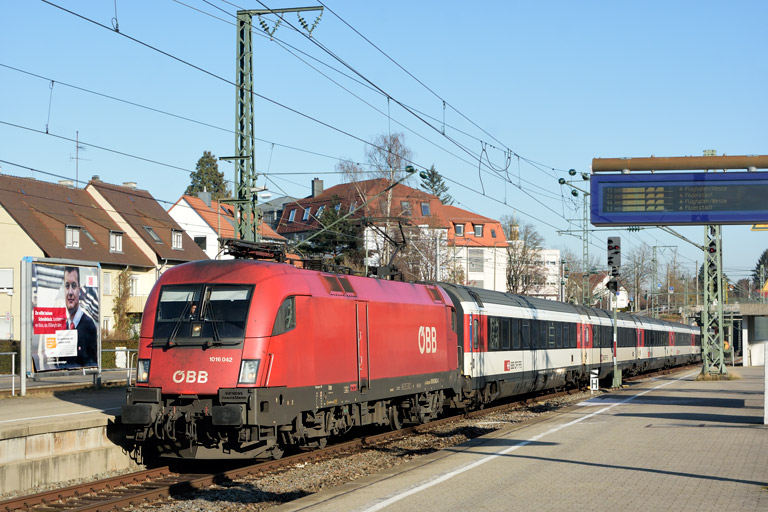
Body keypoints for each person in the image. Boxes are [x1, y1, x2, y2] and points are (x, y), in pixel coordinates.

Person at [60, 266, 98, 367]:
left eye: (74, 286)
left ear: (79, 291)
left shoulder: (88, 325)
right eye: (67, 286)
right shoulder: (62, 324)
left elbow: (92, 361)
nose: (70, 292)